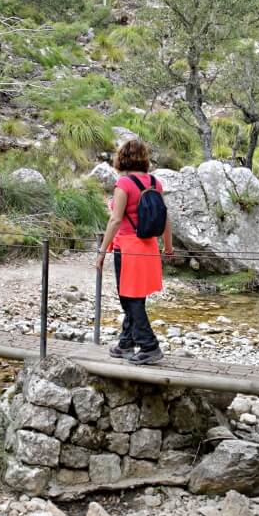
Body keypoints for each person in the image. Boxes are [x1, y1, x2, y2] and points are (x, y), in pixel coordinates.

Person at [95, 139, 173, 365]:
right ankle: (125, 343)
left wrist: (101, 252)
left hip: (128, 248)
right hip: (149, 247)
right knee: (135, 298)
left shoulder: (124, 184)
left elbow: (116, 219)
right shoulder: (154, 182)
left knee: (130, 299)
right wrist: (168, 247)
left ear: (121, 158)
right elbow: (165, 217)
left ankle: (149, 346)